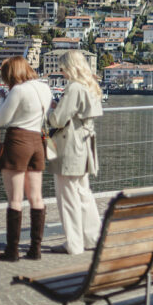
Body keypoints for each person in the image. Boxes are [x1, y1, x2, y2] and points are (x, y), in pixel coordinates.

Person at [0, 56, 53, 261]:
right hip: (37, 142)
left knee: (15, 199)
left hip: (18, 141)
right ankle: (35, 249)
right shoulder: (44, 88)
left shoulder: (17, 90)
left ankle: (12, 251)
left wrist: (1, 99)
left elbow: (1, 120)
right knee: (36, 197)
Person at [47, 50, 104, 255]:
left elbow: (58, 120)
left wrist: (50, 110)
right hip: (85, 145)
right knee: (83, 194)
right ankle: (92, 238)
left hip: (70, 146)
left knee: (68, 197)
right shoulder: (91, 86)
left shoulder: (73, 88)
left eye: (62, 68)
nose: (61, 72)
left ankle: (74, 243)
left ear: (71, 68)